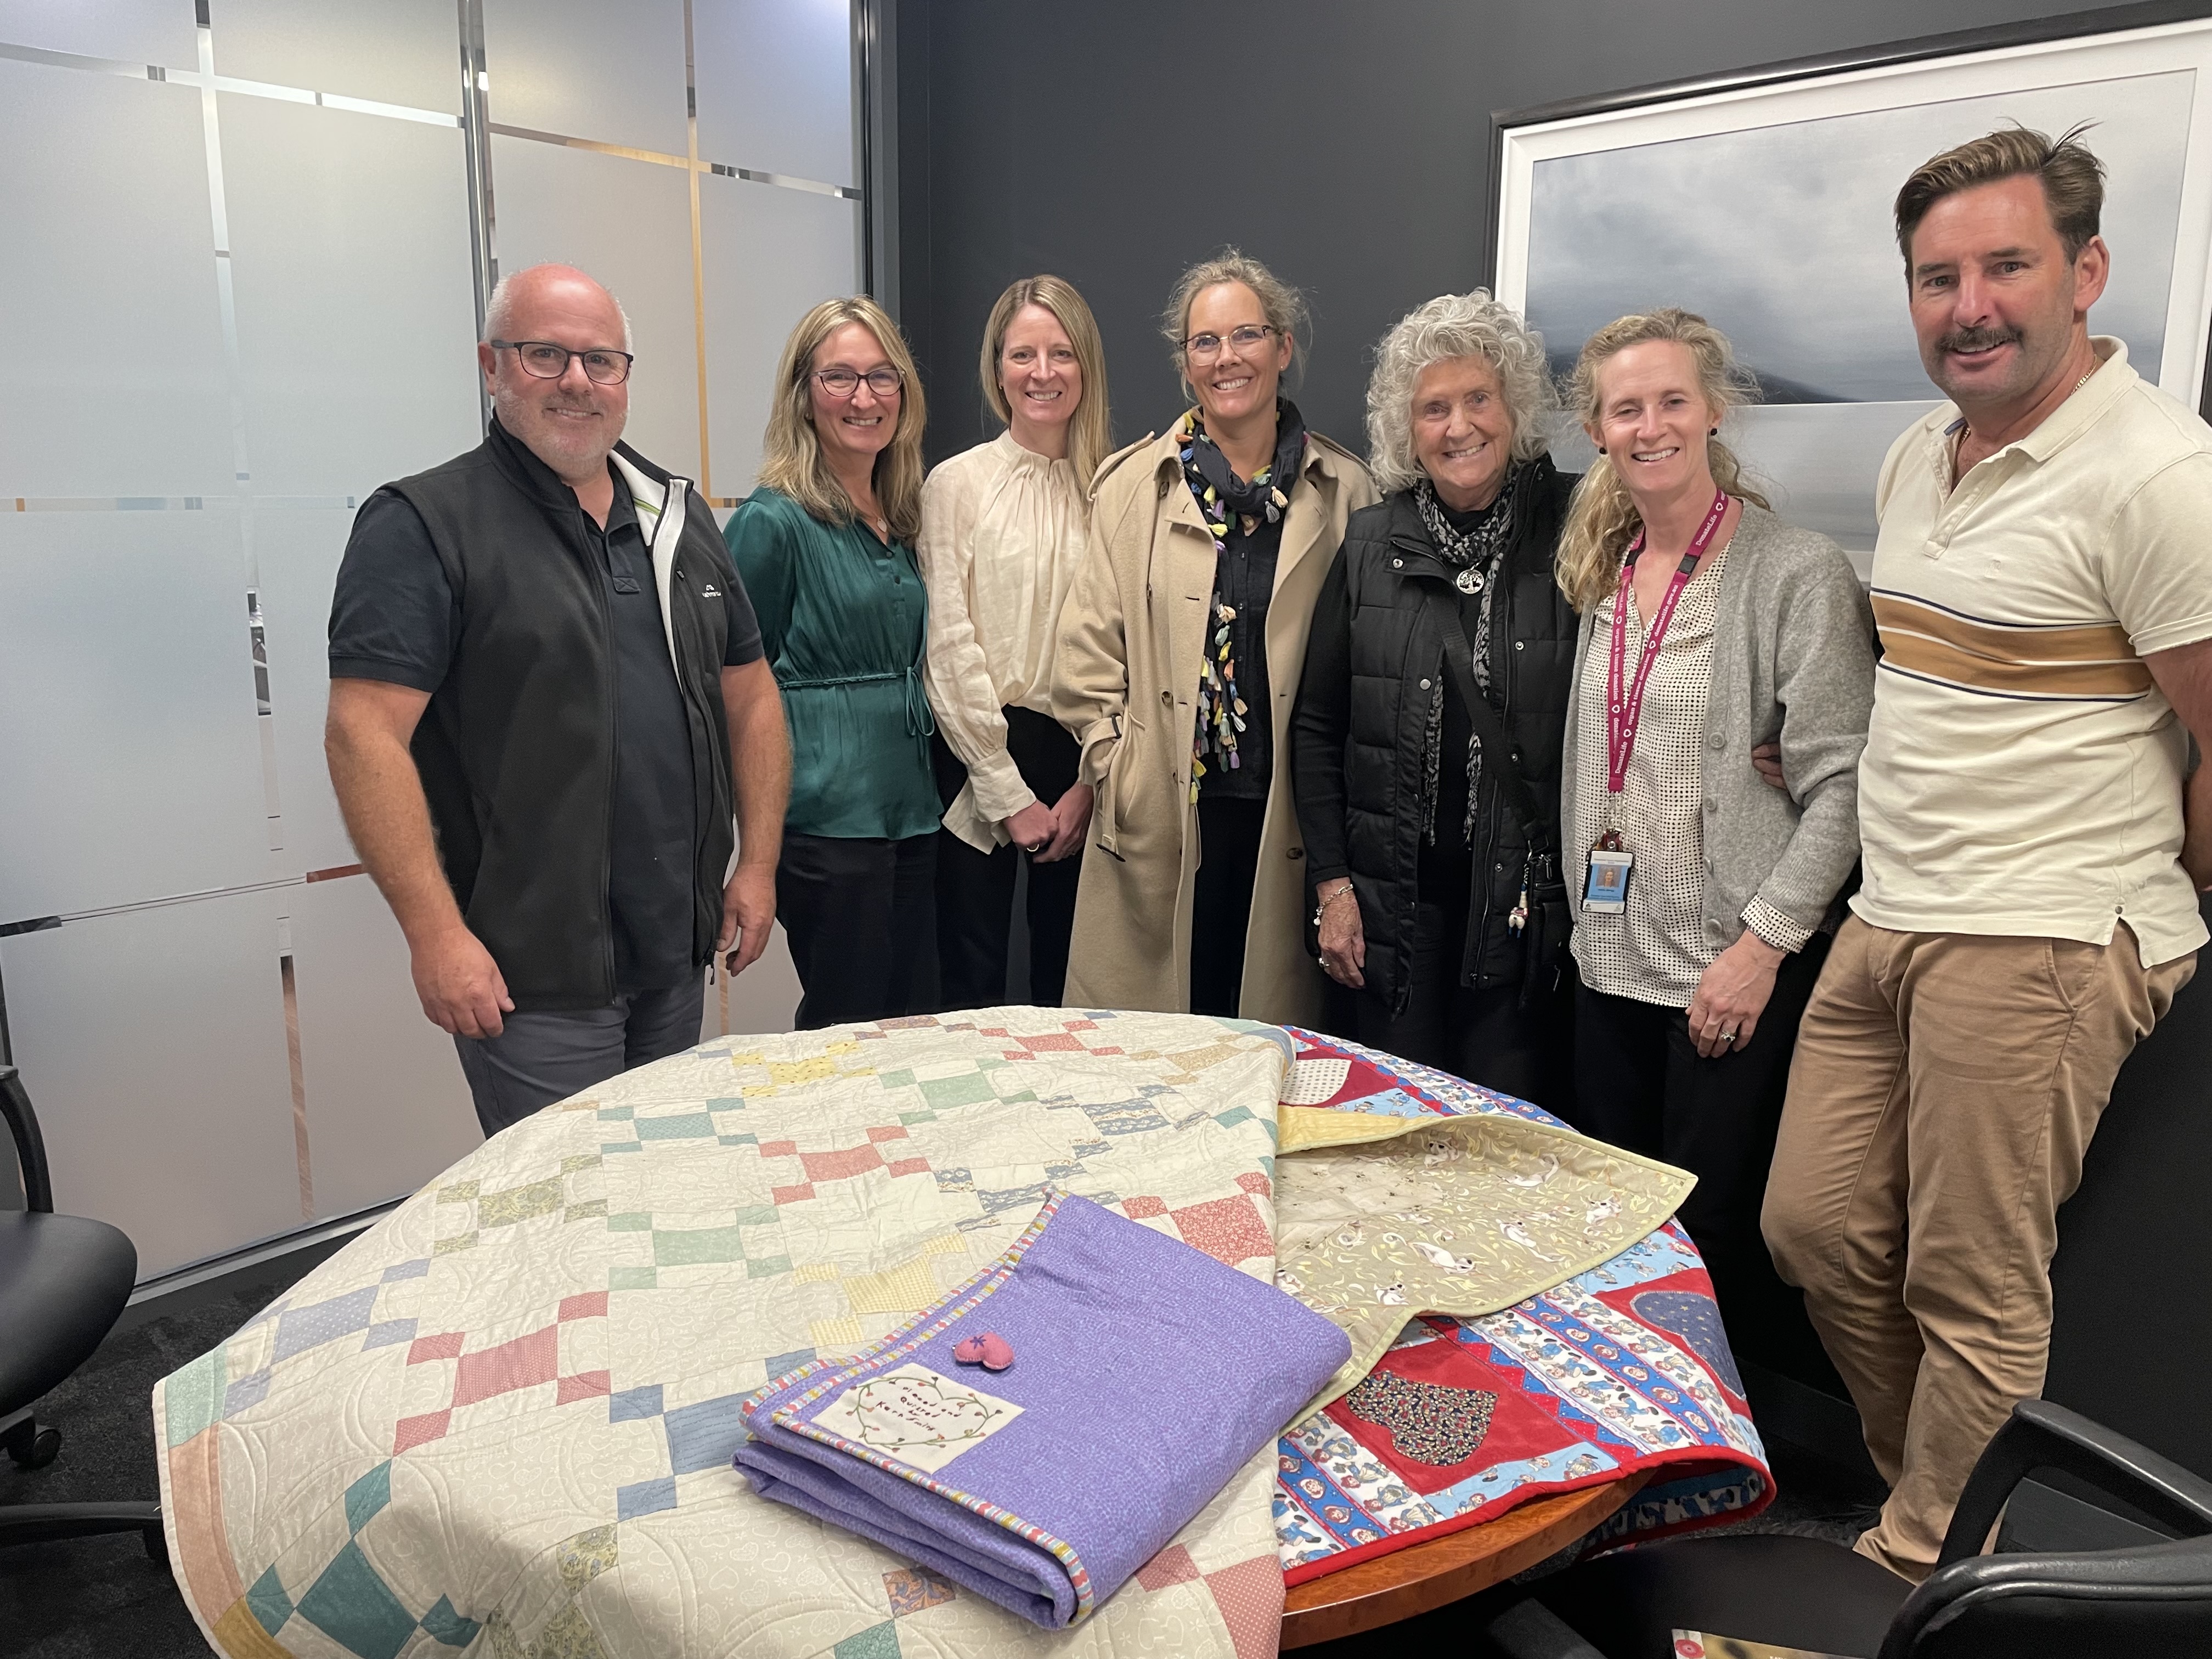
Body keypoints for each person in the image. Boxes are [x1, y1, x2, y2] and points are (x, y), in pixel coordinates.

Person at [1764, 126, 2212, 1582]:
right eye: (1937, 276)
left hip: (2041, 934)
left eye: (2005, 265)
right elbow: (1948, 674)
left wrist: (2143, 916)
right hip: (1890, 913)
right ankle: (1965, 1525)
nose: (1970, 304)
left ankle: (1916, 1571)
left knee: (1972, 1284)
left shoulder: (2160, 478)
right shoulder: (1919, 453)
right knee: (1813, 1230)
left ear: (2083, 273)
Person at [325, 263, 790, 1136]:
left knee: (670, 1192)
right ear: (491, 365)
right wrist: (434, 934)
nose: (578, 382)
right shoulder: (425, 524)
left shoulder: (676, 517)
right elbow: (363, 735)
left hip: (674, 956)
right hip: (529, 980)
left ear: (623, 378)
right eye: (546, 356)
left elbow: (754, 696)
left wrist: (757, 864)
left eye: (601, 361)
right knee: (571, 1226)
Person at [1555, 309, 1876, 1379]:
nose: (1652, 426)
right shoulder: (1602, 577)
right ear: (1598, 430)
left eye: (1672, 401)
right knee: (1616, 1228)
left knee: (1709, 1245)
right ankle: (1625, 1446)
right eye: (1626, 408)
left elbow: (1843, 789)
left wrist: (1764, 945)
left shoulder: (1796, 572)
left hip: (1723, 972)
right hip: (1608, 961)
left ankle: (1708, 1470)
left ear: (1714, 410)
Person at [1055, 251, 1376, 1022]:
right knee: (1157, 1053)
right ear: (1185, 363)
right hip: (1164, 817)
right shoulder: (1130, 486)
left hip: (1293, 822)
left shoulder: (1349, 493)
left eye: (1247, 335)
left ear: (1283, 348)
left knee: (1272, 1044)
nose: (1227, 358)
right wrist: (1120, 769)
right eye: (1206, 342)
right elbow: (1084, 664)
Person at [1290, 291, 1578, 1105]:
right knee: (1393, 1130)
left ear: (1513, 407)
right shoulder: (1372, 541)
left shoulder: (1579, 526)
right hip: (1390, 916)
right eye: (1434, 408)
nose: (1459, 427)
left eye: (1478, 398)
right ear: (1406, 430)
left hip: (1522, 920)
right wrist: (1335, 891)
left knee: (1503, 1134)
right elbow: (1317, 726)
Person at [725, 296, 940, 1029]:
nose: (863, 397)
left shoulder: (904, 513)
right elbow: (733, 686)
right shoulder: (772, 519)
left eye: (883, 377)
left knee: (915, 1025)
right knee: (845, 1034)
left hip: (912, 810)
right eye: (839, 378)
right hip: (823, 817)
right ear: (804, 395)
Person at [919, 276, 1107, 1008]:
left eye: (1061, 353)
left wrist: (1090, 783)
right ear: (997, 369)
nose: (1042, 372)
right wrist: (1004, 790)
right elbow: (949, 642)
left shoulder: (1111, 489)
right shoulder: (956, 484)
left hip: (1081, 766)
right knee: (969, 988)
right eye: (1022, 353)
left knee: (1074, 984)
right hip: (976, 759)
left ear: (1085, 367)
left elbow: (1121, 648)